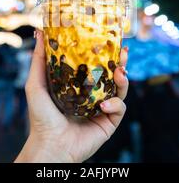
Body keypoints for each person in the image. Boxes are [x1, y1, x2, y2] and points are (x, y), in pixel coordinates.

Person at [15, 30, 129, 163]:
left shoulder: (94, 69)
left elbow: (95, 74)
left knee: (99, 72)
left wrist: (55, 149)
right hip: (68, 104)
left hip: (90, 98)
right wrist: (50, 145)